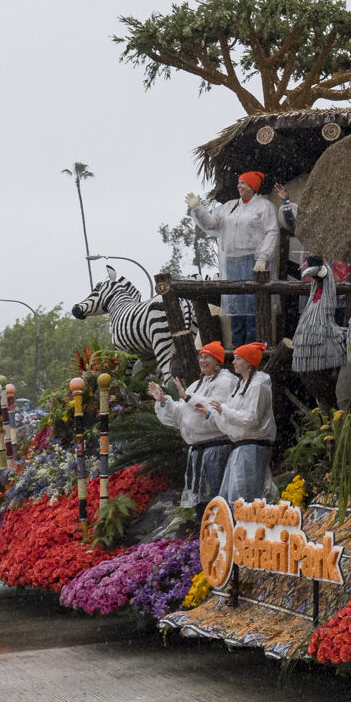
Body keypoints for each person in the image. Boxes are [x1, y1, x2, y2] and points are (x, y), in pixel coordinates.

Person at [188, 173, 282, 347]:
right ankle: (238, 347)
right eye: (239, 182)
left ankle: (254, 346)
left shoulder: (264, 206)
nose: (240, 186)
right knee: (236, 305)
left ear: (253, 186)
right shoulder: (229, 207)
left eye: (244, 183)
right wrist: (198, 209)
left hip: (253, 261)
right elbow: (211, 224)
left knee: (254, 305)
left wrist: (262, 257)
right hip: (232, 263)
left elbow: (272, 232)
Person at [147, 341, 239, 503]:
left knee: (217, 498)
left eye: (207, 357)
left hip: (217, 447)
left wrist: (188, 398)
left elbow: (214, 409)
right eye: (201, 357)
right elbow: (179, 413)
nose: (202, 361)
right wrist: (163, 401)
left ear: (218, 361)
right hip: (198, 450)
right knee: (200, 501)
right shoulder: (196, 385)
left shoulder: (226, 381)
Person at [200, 341, 275, 504]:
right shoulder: (240, 384)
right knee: (234, 497)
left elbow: (251, 419)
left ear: (249, 362)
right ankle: (238, 528)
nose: (233, 362)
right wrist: (212, 415)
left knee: (245, 498)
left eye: (238, 359)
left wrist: (224, 410)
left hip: (253, 445)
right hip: (241, 447)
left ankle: (249, 528)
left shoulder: (259, 384)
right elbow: (230, 420)